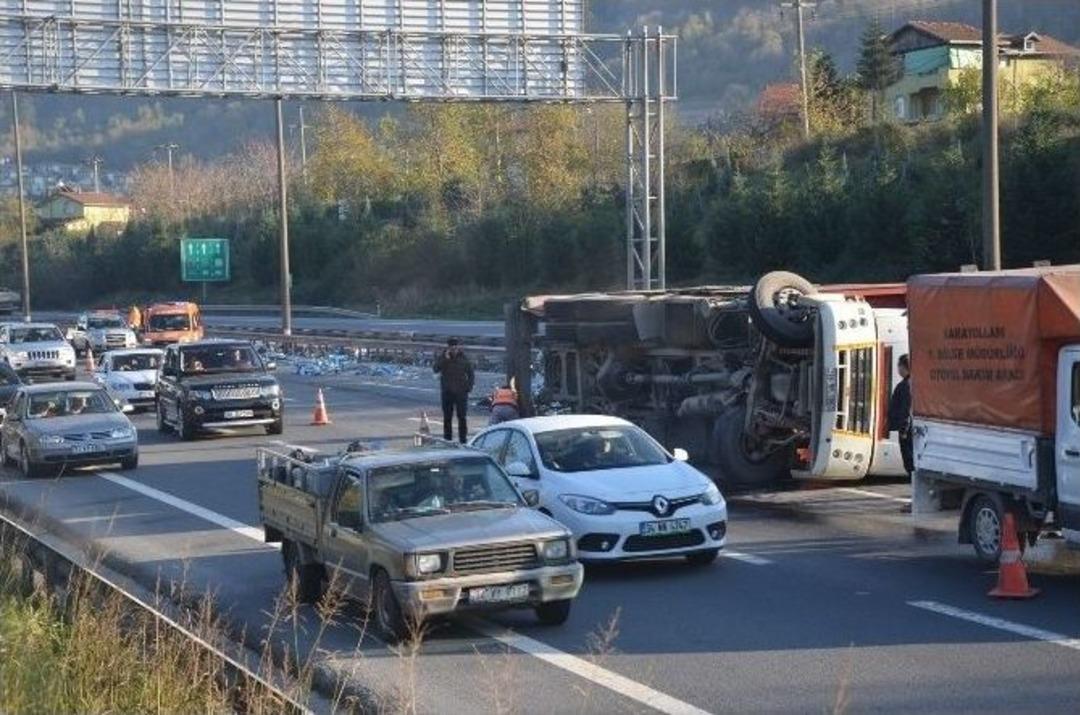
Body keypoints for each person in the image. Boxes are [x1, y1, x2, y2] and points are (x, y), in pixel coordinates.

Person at [433, 337, 474, 443]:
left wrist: (468, 388)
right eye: (452, 347)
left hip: (461, 392)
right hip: (447, 392)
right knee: (447, 417)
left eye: (455, 346)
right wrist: (445, 359)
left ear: (458, 347)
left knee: (462, 417)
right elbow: (435, 369)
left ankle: (463, 439)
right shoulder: (443, 357)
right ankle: (447, 439)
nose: (454, 349)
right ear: (448, 347)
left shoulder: (463, 358)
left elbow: (471, 374)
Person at [888, 354, 913, 477]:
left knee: (909, 461)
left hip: (906, 431)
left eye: (899, 366)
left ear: (903, 367)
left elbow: (906, 408)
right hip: (908, 428)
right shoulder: (911, 383)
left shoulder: (905, 386)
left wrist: (903, 429)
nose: (898, 369)